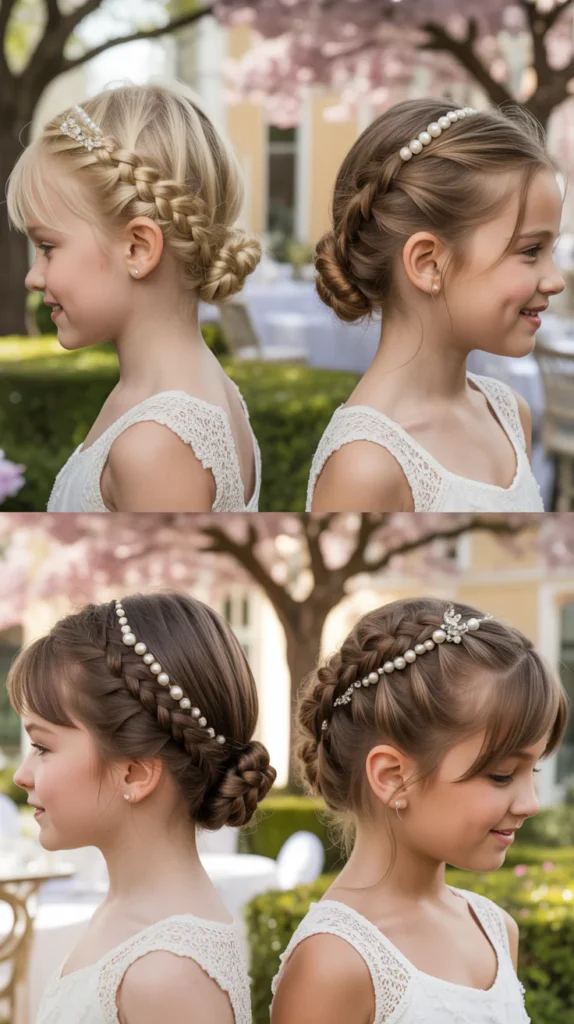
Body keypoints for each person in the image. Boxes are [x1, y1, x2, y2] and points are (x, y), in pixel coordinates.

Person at [271, 597, 568, 1024]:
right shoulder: (334, 963)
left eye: (533, 770)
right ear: (392, 776)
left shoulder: (496, 930)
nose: (531, 804)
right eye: (502, 775)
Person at [9, 591, 276, 1024]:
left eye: (42, 746)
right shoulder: (135, 918)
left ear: (135, 774)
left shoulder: (167, 975)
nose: (22, 774)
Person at [7, 82, 262, 512]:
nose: (34, 277)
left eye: (48, 247)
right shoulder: (199, 391)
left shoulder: (157, 443)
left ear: (138, 249)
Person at [306, 100, 565, 512]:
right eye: (531, 250)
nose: (556, 280)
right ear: (428, 263)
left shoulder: (509, 414)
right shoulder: (365, 467)